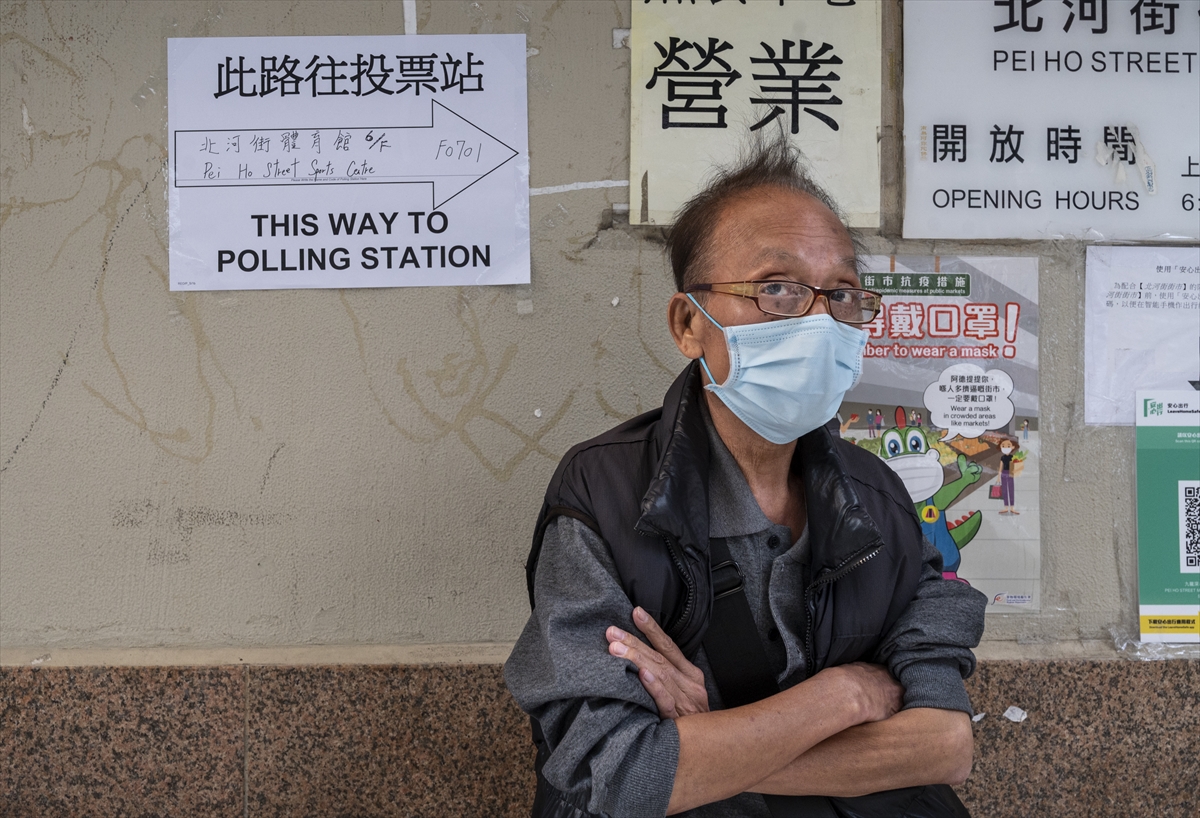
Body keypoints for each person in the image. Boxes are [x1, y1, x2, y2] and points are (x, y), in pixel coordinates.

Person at [505, 136, 987, 818]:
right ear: (688, 324)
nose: (822, 319)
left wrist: (707, 738)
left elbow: (942, 746)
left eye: (843, 293)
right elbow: (614, 773)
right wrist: (839, 697)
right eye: (777, 288)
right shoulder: (605, 498)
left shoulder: (881, 501)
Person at [997, 439, 1019, 515]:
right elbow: (1000, 468)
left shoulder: (1012, 457)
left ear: (1012, 447)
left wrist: (1013, 473)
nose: (1005, 447)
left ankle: (1012, 507)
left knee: (1011, 489)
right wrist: (998, 477)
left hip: (1010, 474)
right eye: (1003, 446)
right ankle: (1006, 507)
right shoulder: (1002, 458)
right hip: (1003, 473)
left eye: (1008, 446)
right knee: (1004, 491)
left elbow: (1014, 466)